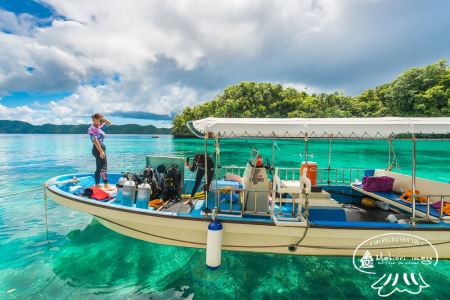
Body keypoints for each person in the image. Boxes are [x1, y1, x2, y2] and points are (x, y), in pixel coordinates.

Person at [88, 113, 114, 190]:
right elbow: (95, 141)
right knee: (104, 166)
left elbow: (109, 123)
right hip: (98, 148)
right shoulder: (91, 128)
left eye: (101, 120)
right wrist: (101, 151)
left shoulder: (99, 126)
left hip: (99, 147)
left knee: (99, 168)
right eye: (100, 120)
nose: (101, 121)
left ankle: (97, 184)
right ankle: (106, 184)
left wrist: (102, 119)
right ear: (94, 120)